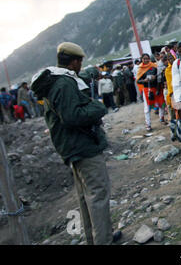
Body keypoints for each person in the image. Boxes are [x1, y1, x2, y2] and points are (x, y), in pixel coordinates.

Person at [30, 42, 121, 245]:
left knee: (86, 197)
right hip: (83, 146)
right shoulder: (64, 83)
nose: (81, 65)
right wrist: (98, 108)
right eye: (80, 61)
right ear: (74, 62)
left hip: (73, 147)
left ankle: (97, 238)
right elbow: (72, 116)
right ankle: (103, 241)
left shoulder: (58, 80)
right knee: (98, 195)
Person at [136, 53, 162, 132]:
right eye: (144, 59)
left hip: (156, 88)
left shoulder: (154, 66)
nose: (146, 60)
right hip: (147, 89)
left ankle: (162, 118)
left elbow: (159, 76)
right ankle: (148, 124)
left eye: (147, 58)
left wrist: (155, 77)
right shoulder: (140, 68)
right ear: (142, 60)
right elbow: (138, 81)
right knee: (147, 107)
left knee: (160, 104)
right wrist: (144, 80)